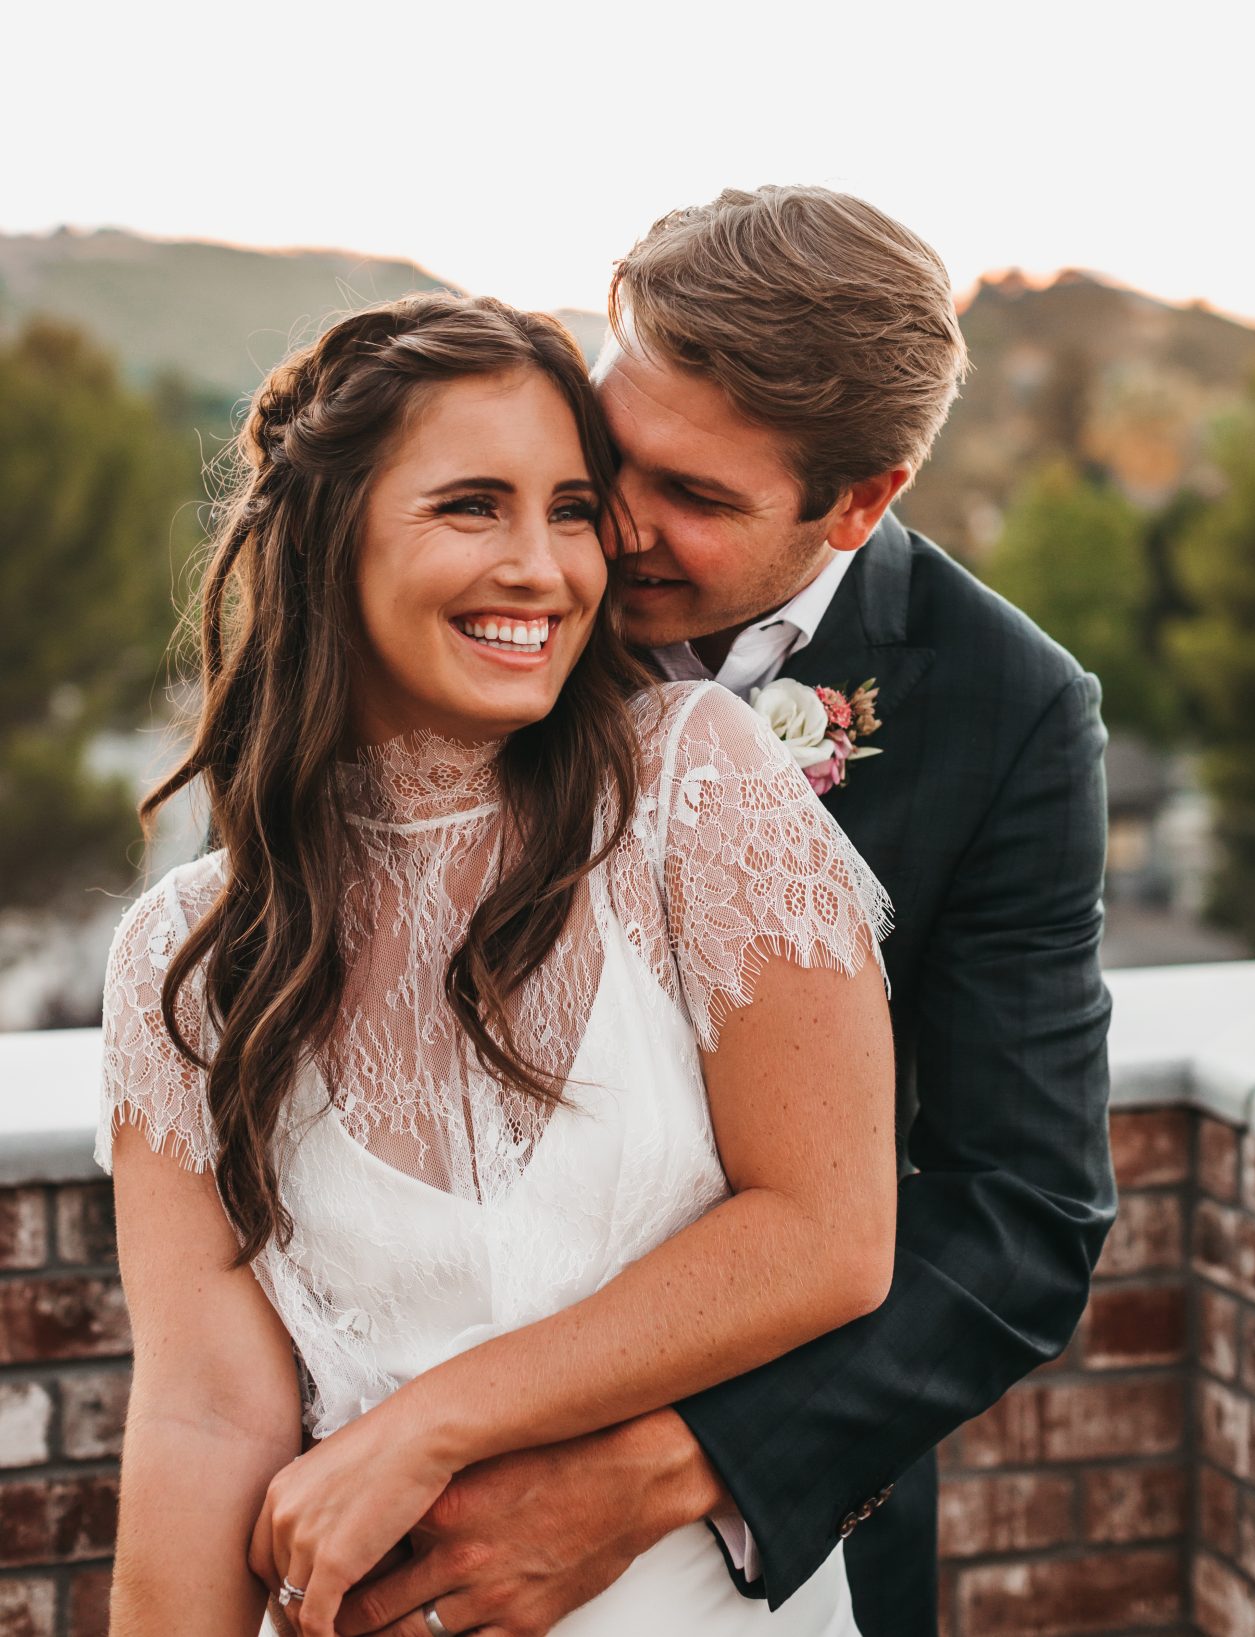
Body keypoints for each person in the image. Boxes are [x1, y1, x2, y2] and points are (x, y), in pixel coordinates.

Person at [347, 189, 1116, 1637]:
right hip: (378, 1458)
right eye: (615, 452)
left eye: (697, 499)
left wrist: (656, 1473)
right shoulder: (490, 583)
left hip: (757, 1544)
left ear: (862, 499)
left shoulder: (1006, 709)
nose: (611, 529)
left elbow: (1021, 1211)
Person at [97, 293, 897, 1637]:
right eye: (474, 505)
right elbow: (202, 1413)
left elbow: (827, 1235)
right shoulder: (184, 959)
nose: (544, 566)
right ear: (327, 537)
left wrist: (426, 1426)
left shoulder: (694, 790)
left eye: (573, 510)